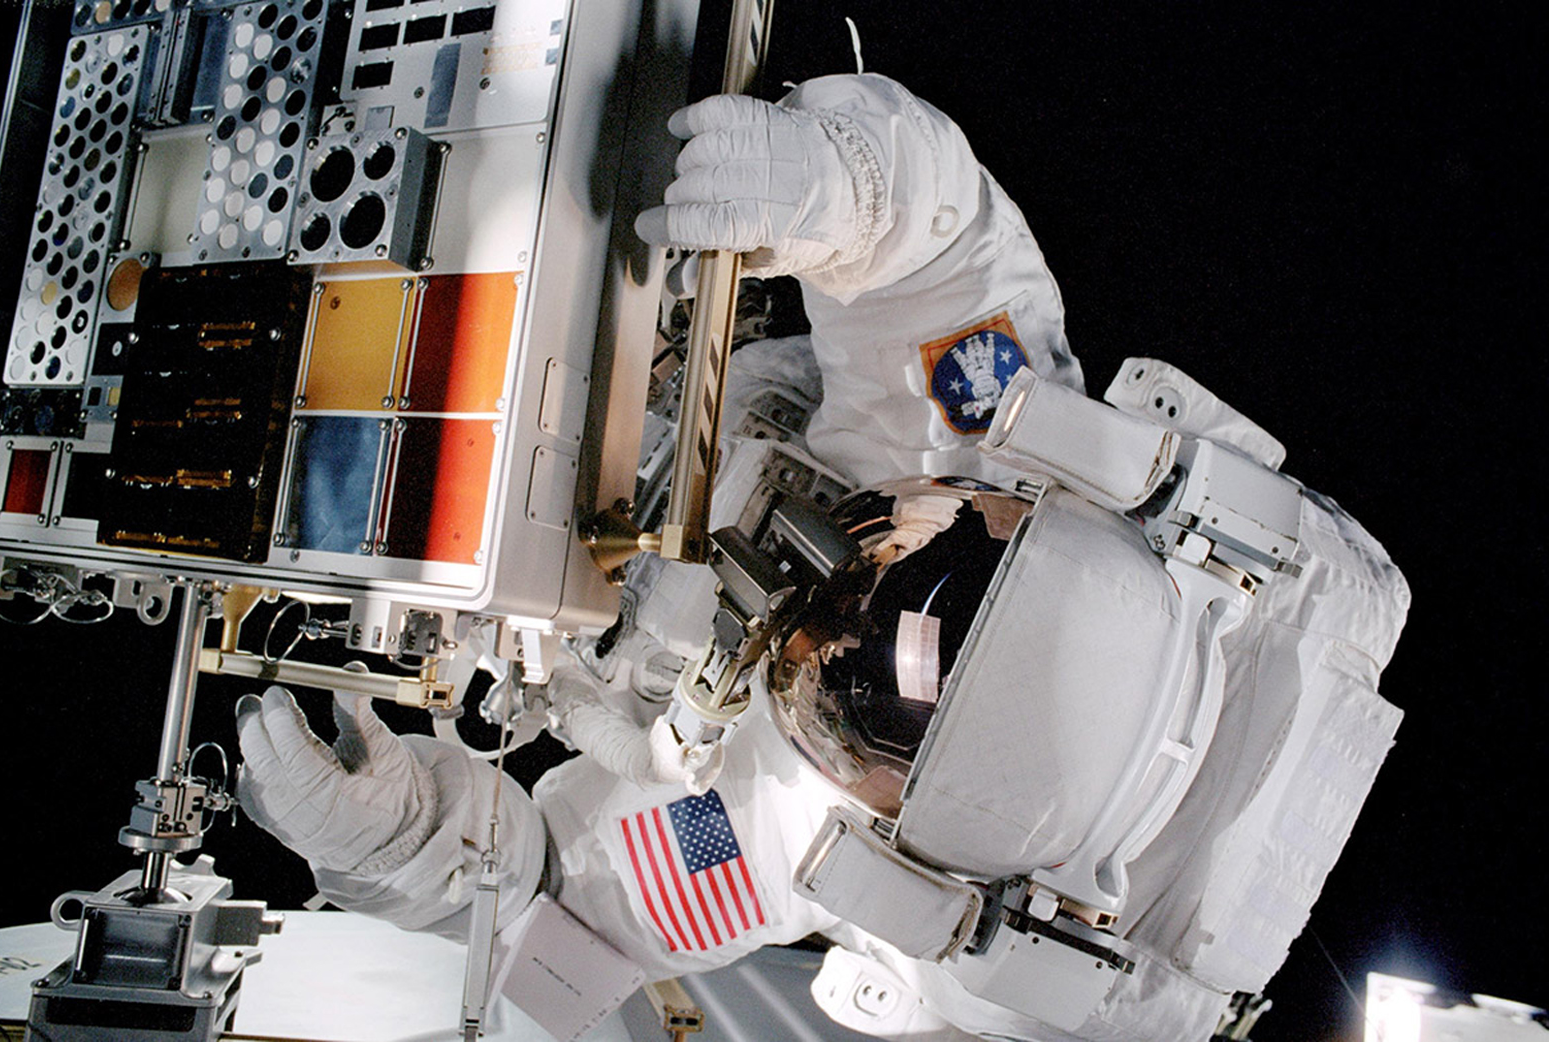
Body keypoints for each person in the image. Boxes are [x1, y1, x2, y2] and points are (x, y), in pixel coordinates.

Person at [236, 75, 1408, 1040]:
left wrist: (397, 837)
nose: (854, 605)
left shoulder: (760, 839)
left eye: (877, 699)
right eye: (939, 579)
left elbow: (552, 883)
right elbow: (936, 258)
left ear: (896, 830)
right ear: (1028, 523)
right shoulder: (979, 438)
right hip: (603, 328)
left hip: (418, 514)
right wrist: (837, 186)